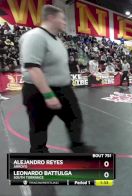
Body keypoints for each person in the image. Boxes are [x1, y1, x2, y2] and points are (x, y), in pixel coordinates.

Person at [19, 5, 94, 153]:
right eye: (62, 18)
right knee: (39, 128)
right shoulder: (35, 36)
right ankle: (39, 157)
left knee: (75, 118)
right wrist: (48, 95)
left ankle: (77, 147)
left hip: (62, 89)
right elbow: (33, 67)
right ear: (51, 18)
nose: (65, 22)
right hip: (39, 91)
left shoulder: (56, 40)